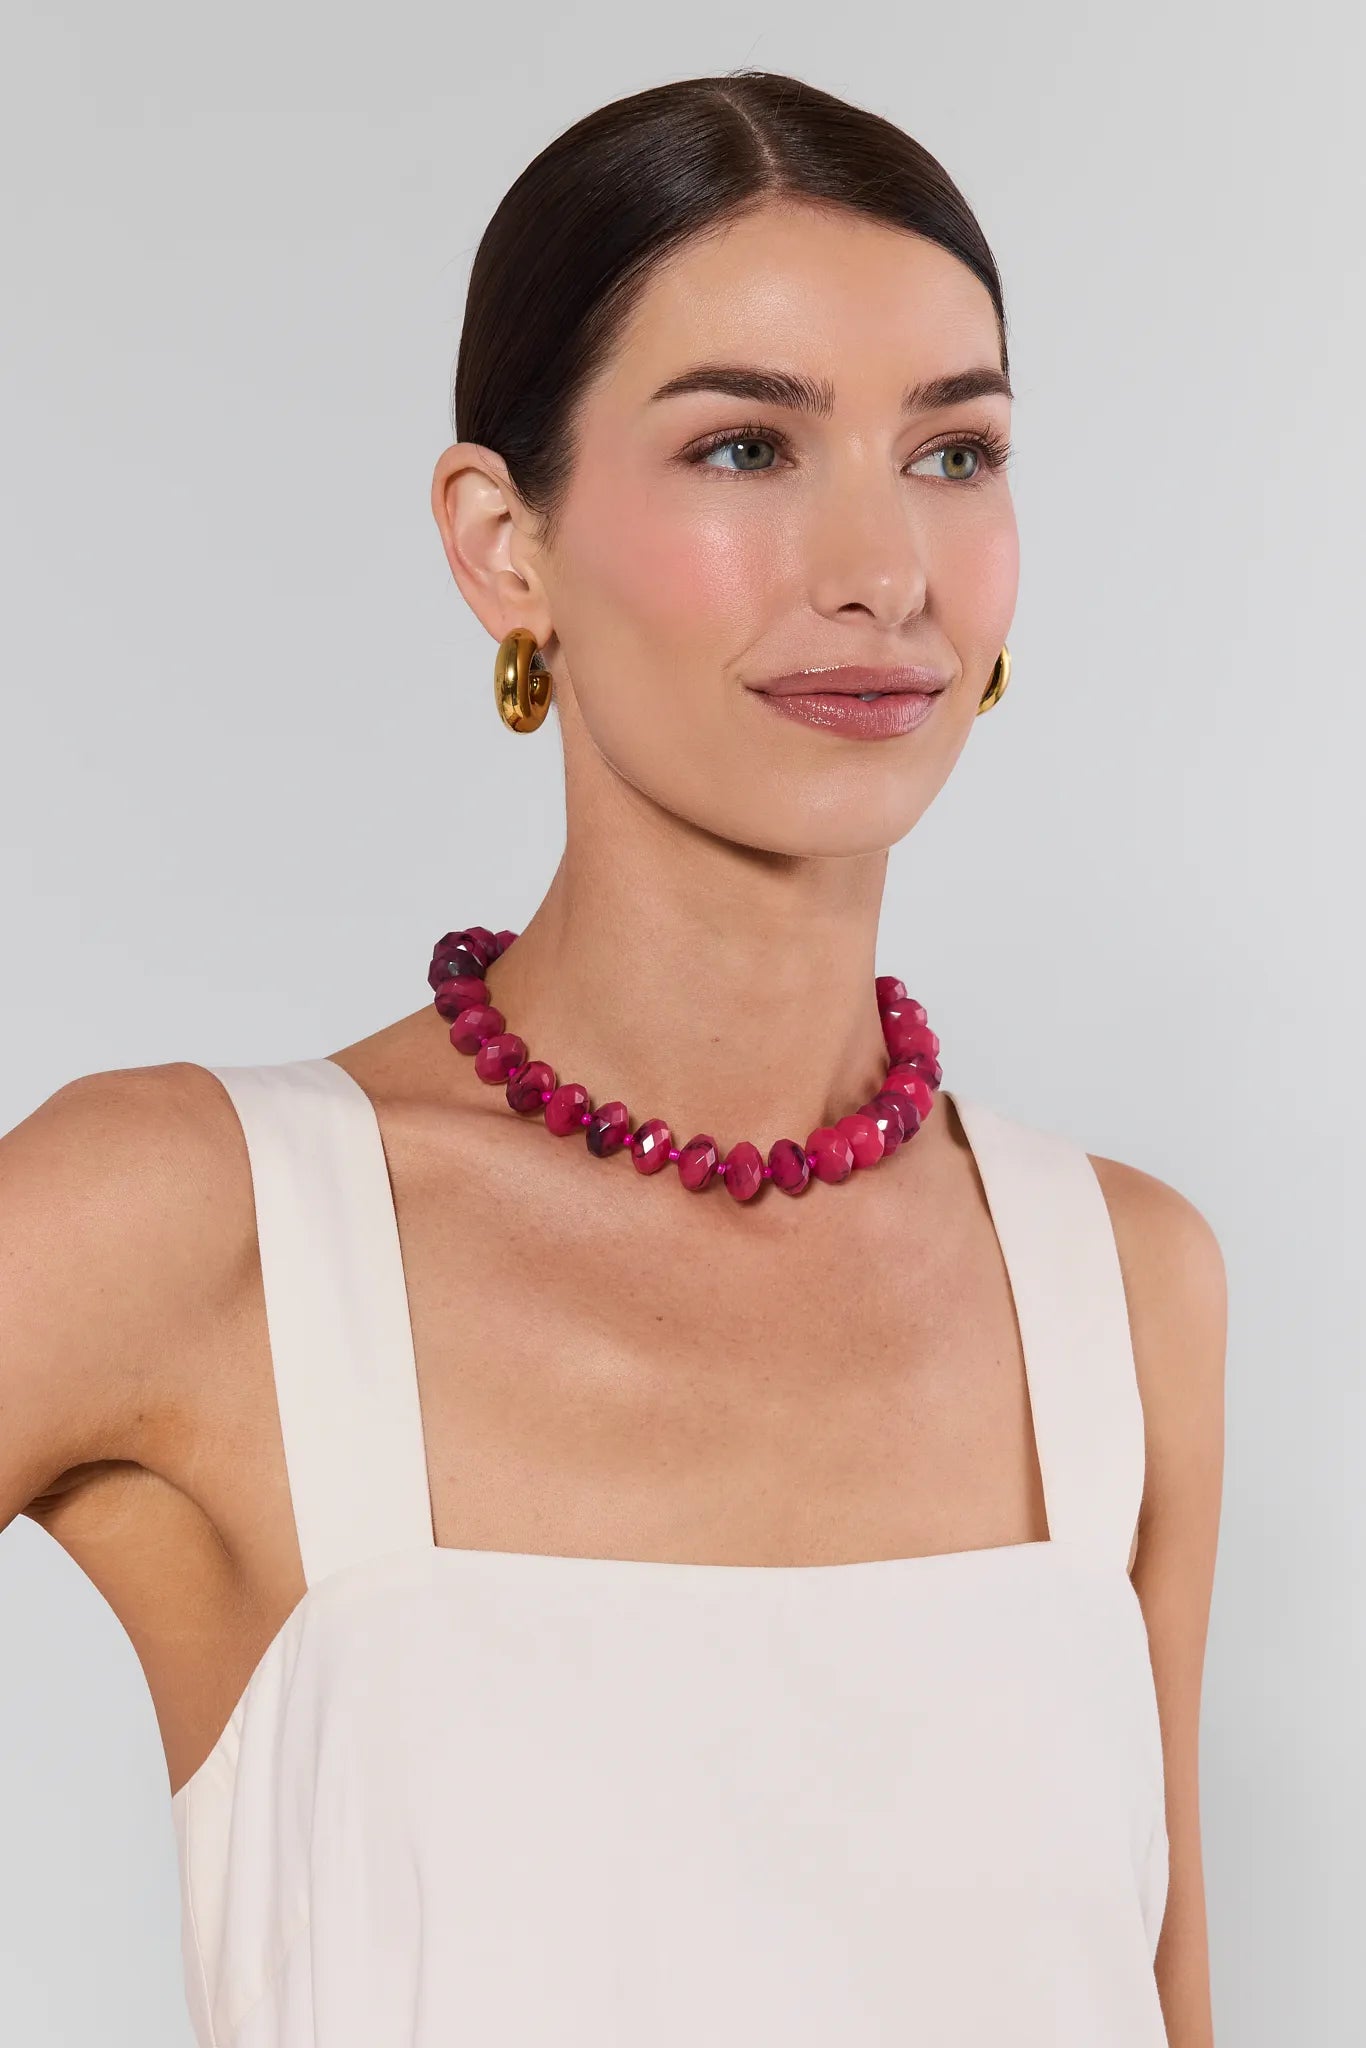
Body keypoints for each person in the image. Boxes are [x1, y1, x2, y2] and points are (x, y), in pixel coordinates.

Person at [1, 66, 1225, 2048]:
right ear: (505, 545)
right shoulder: (188, 1222)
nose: (881, 571)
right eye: (744, 446)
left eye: (951, 452)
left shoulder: (1119, 1284)